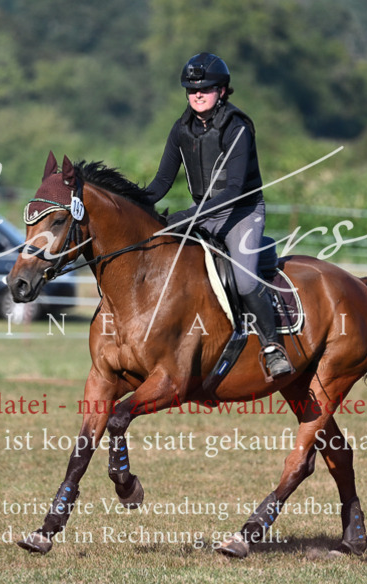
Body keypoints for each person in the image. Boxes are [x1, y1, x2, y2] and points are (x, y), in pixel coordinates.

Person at [144, 52, 292, 379]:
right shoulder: (180, 129)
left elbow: (235, 188)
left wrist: (189, 216)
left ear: (222, 91)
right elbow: (162, 182)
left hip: (241, 212)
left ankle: (273, 347)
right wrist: (132, 202)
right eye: (192, 89)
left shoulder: (237, 127)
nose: (198, 94)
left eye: (206, 88)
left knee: (241, 278)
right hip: (203, 214)